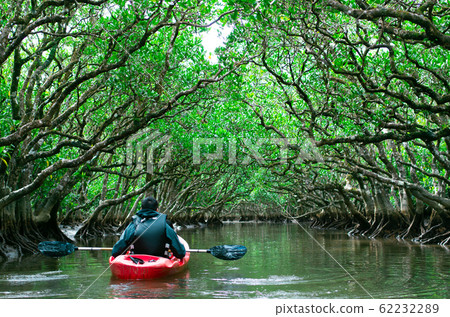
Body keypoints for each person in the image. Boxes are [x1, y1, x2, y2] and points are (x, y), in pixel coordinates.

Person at [111, 196, 186, 259]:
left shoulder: (133, 224)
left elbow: (115, 252)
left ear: (141, 209)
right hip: (160, 261)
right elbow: (180, 253)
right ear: (157, 210)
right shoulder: (165, 224)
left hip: (136, 261)